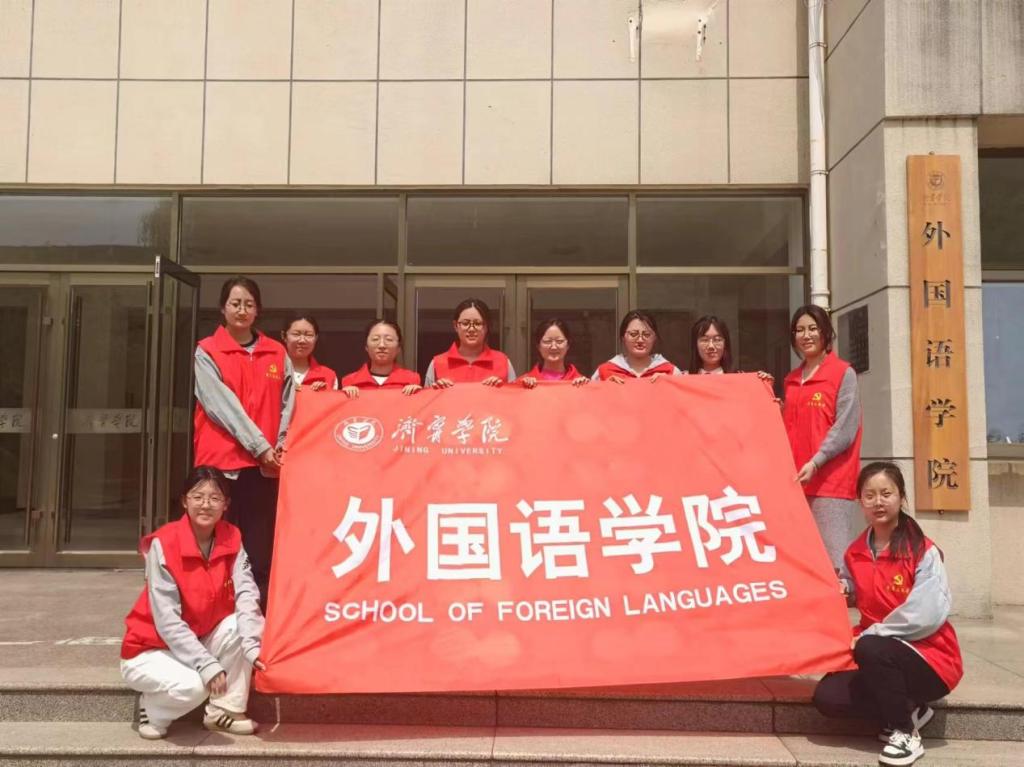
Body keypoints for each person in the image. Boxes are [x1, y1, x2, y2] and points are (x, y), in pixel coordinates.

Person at [813, 462, 963, 767]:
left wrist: (874, 633)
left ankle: (905, 733)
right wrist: (843, 589)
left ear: (901, 497)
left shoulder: (922, 551)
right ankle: (912, 709)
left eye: (886, 493)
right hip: (879, 653)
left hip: (929, 659)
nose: (878, 502)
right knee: (829, 697)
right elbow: (855, 588)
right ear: (860, 502)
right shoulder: (855, 552)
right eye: (869, 496)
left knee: (870, 647)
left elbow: (926, 614)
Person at [120, 467, 265, 740]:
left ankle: (224, 710)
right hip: (151, 648)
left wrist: (252, 645)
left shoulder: (232, 537)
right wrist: (206, 664)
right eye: (198, 497)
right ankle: (153, 708)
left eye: (215, 498)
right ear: (184, 501)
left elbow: (246, 593)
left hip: (198, 638)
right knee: (194, 688)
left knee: (240, 625)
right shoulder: (164, 543)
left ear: (226, 504)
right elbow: (167, 620)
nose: (206, 504)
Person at [193, 276, 293, 609]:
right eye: (235, 303)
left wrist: (280, 445)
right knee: (217, 542)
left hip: (264, 468)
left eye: (249, 304)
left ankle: (260, 618)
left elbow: (288, 403)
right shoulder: (207, 350)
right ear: (223, 308)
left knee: (261, 546)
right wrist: (261, 447)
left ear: (257, 310)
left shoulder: (276, 351)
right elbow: (221, 406)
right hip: (221, 465)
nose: (242, 310)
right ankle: (214, 611)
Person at [782, 304, 862, 570]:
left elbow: (845, 428)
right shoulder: (792, 380)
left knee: (833, 564)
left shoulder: (842, 373)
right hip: (796, 484)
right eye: (800, 330)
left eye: (813, 328)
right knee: (802, 563)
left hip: (831, 484)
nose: (806, 335)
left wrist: (816, 461)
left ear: (825, 332)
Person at [424, 298, 516, 387]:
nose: (471, 329)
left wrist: (502, 390)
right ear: (455, 326)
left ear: (487, 326)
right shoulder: (437, 363)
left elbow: (515, 396)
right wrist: (438, 392)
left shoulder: (503, 362)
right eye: (465, 323)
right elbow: (426, 397)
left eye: (478, 323)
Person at [685, 314, 776, 392]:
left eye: (717, 340)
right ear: (695, 344)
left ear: (726, 344)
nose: (711, 346)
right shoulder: (683, 379)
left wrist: (763, 386)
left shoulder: (741, 379)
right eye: (705, 340)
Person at [594, 310, 681, 382]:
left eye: (646, 334)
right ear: (623, 337)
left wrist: (670, 383)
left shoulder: (670, 372)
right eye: (633, 334)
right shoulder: (604, 372)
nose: (640, 340)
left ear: (654, 338)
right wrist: (604, 387)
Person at [341, 319, 422, 397]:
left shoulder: (412, 380)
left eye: (389, 340)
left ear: (398, 348)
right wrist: (342, 396)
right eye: (375, 339)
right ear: (366, 346)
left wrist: (420, 394)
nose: (382, 345)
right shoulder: (350, 381)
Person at [519, 318, 590, 388]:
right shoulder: (523, 383)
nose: (554, 347)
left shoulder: (581, 383)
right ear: (538, 346)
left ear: (568, 345)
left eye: (559, 341)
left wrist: (584, 387)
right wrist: (523, 388)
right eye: (547, 341)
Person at [281, 313, 337, 391]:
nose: (302, 340)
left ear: (316, 338)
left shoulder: (328, 375)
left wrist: (324, 393)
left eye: (309, 335)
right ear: (284, 336)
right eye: (296, 334)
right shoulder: (270, 371)